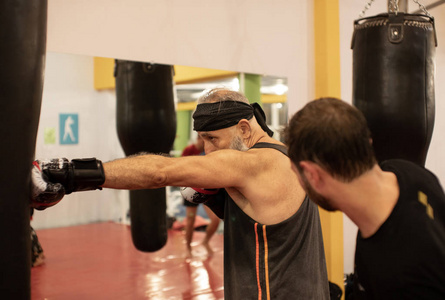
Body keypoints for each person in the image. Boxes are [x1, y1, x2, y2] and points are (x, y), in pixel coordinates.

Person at [31, 88, 330, 299]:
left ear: (243, 128)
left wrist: (69, 174)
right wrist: (216, 198)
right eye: (203, 140)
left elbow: (160, 172)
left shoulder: (254, 163)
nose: (208, 151)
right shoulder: (283, 156)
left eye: (213, 139)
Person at [285, 97, 445, 299]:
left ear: (312, 175)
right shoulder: (408, 172)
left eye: (295, 172)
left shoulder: (403, 272)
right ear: (367, 143)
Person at [180, 136, 221, 258]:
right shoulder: (189, 151)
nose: (202, 143)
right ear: (198, 139)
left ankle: (206, 241)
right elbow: (181, 169)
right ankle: (188, 247)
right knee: (190, 220)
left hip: (206, 189)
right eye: (201, 139)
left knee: (215, 219)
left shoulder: (209, 152)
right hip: (190, 189)